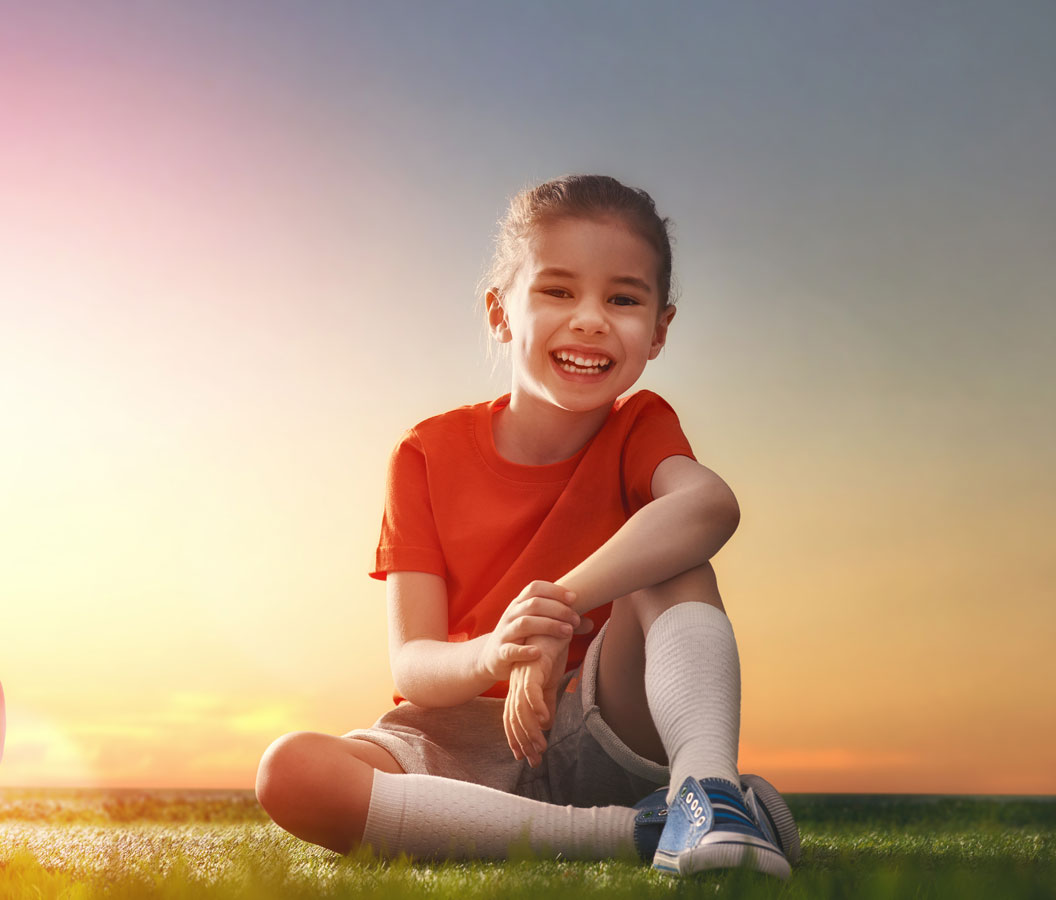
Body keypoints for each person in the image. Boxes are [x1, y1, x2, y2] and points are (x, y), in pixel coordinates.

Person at [255, 174, 798, 879]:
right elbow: (412, 663)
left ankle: (709, 792)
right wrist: (500, 651)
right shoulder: (425, 453)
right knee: (291, 771)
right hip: (448, 745)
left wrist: (555, 609)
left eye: (623, 299)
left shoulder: (640, 427)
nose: (591, 320)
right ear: (500, 313)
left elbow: (710, 506)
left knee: (674, 554)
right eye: (558, 291)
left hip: (595, 726)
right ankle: (642, 831)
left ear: (659, 330)